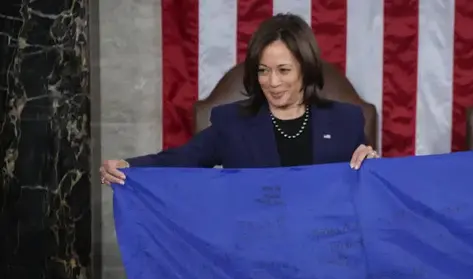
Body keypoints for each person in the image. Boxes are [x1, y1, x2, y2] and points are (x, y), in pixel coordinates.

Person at [99, 13, 376, 185]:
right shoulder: (232, 122)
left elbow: (368, 193)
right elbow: (183, 158)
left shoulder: (346, 121)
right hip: (253, 257)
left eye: (283, 70)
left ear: (306, 69)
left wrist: (371, 166)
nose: (272, 82)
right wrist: (129, 166)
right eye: (263, 71)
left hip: (327, 253)